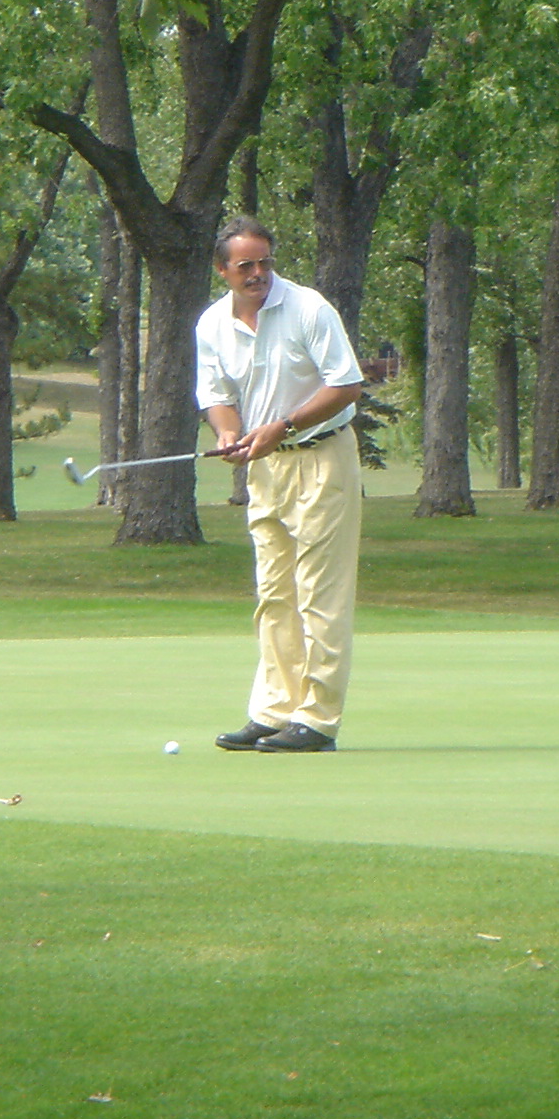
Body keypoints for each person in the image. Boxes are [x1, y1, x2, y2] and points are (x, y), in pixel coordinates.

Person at [195, 216, 367, 753]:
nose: (258, 274)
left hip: (322, 457)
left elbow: (347, 383)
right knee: (274, 593)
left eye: (265, 262)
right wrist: (228, 432)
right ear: (222, 270)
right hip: (265, 468)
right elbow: (217, 394)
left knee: (320, 593)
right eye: (245, 265)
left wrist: (283, 426)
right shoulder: (212, 324)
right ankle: (274, 711)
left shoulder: (308, 308)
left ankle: (316, 720)